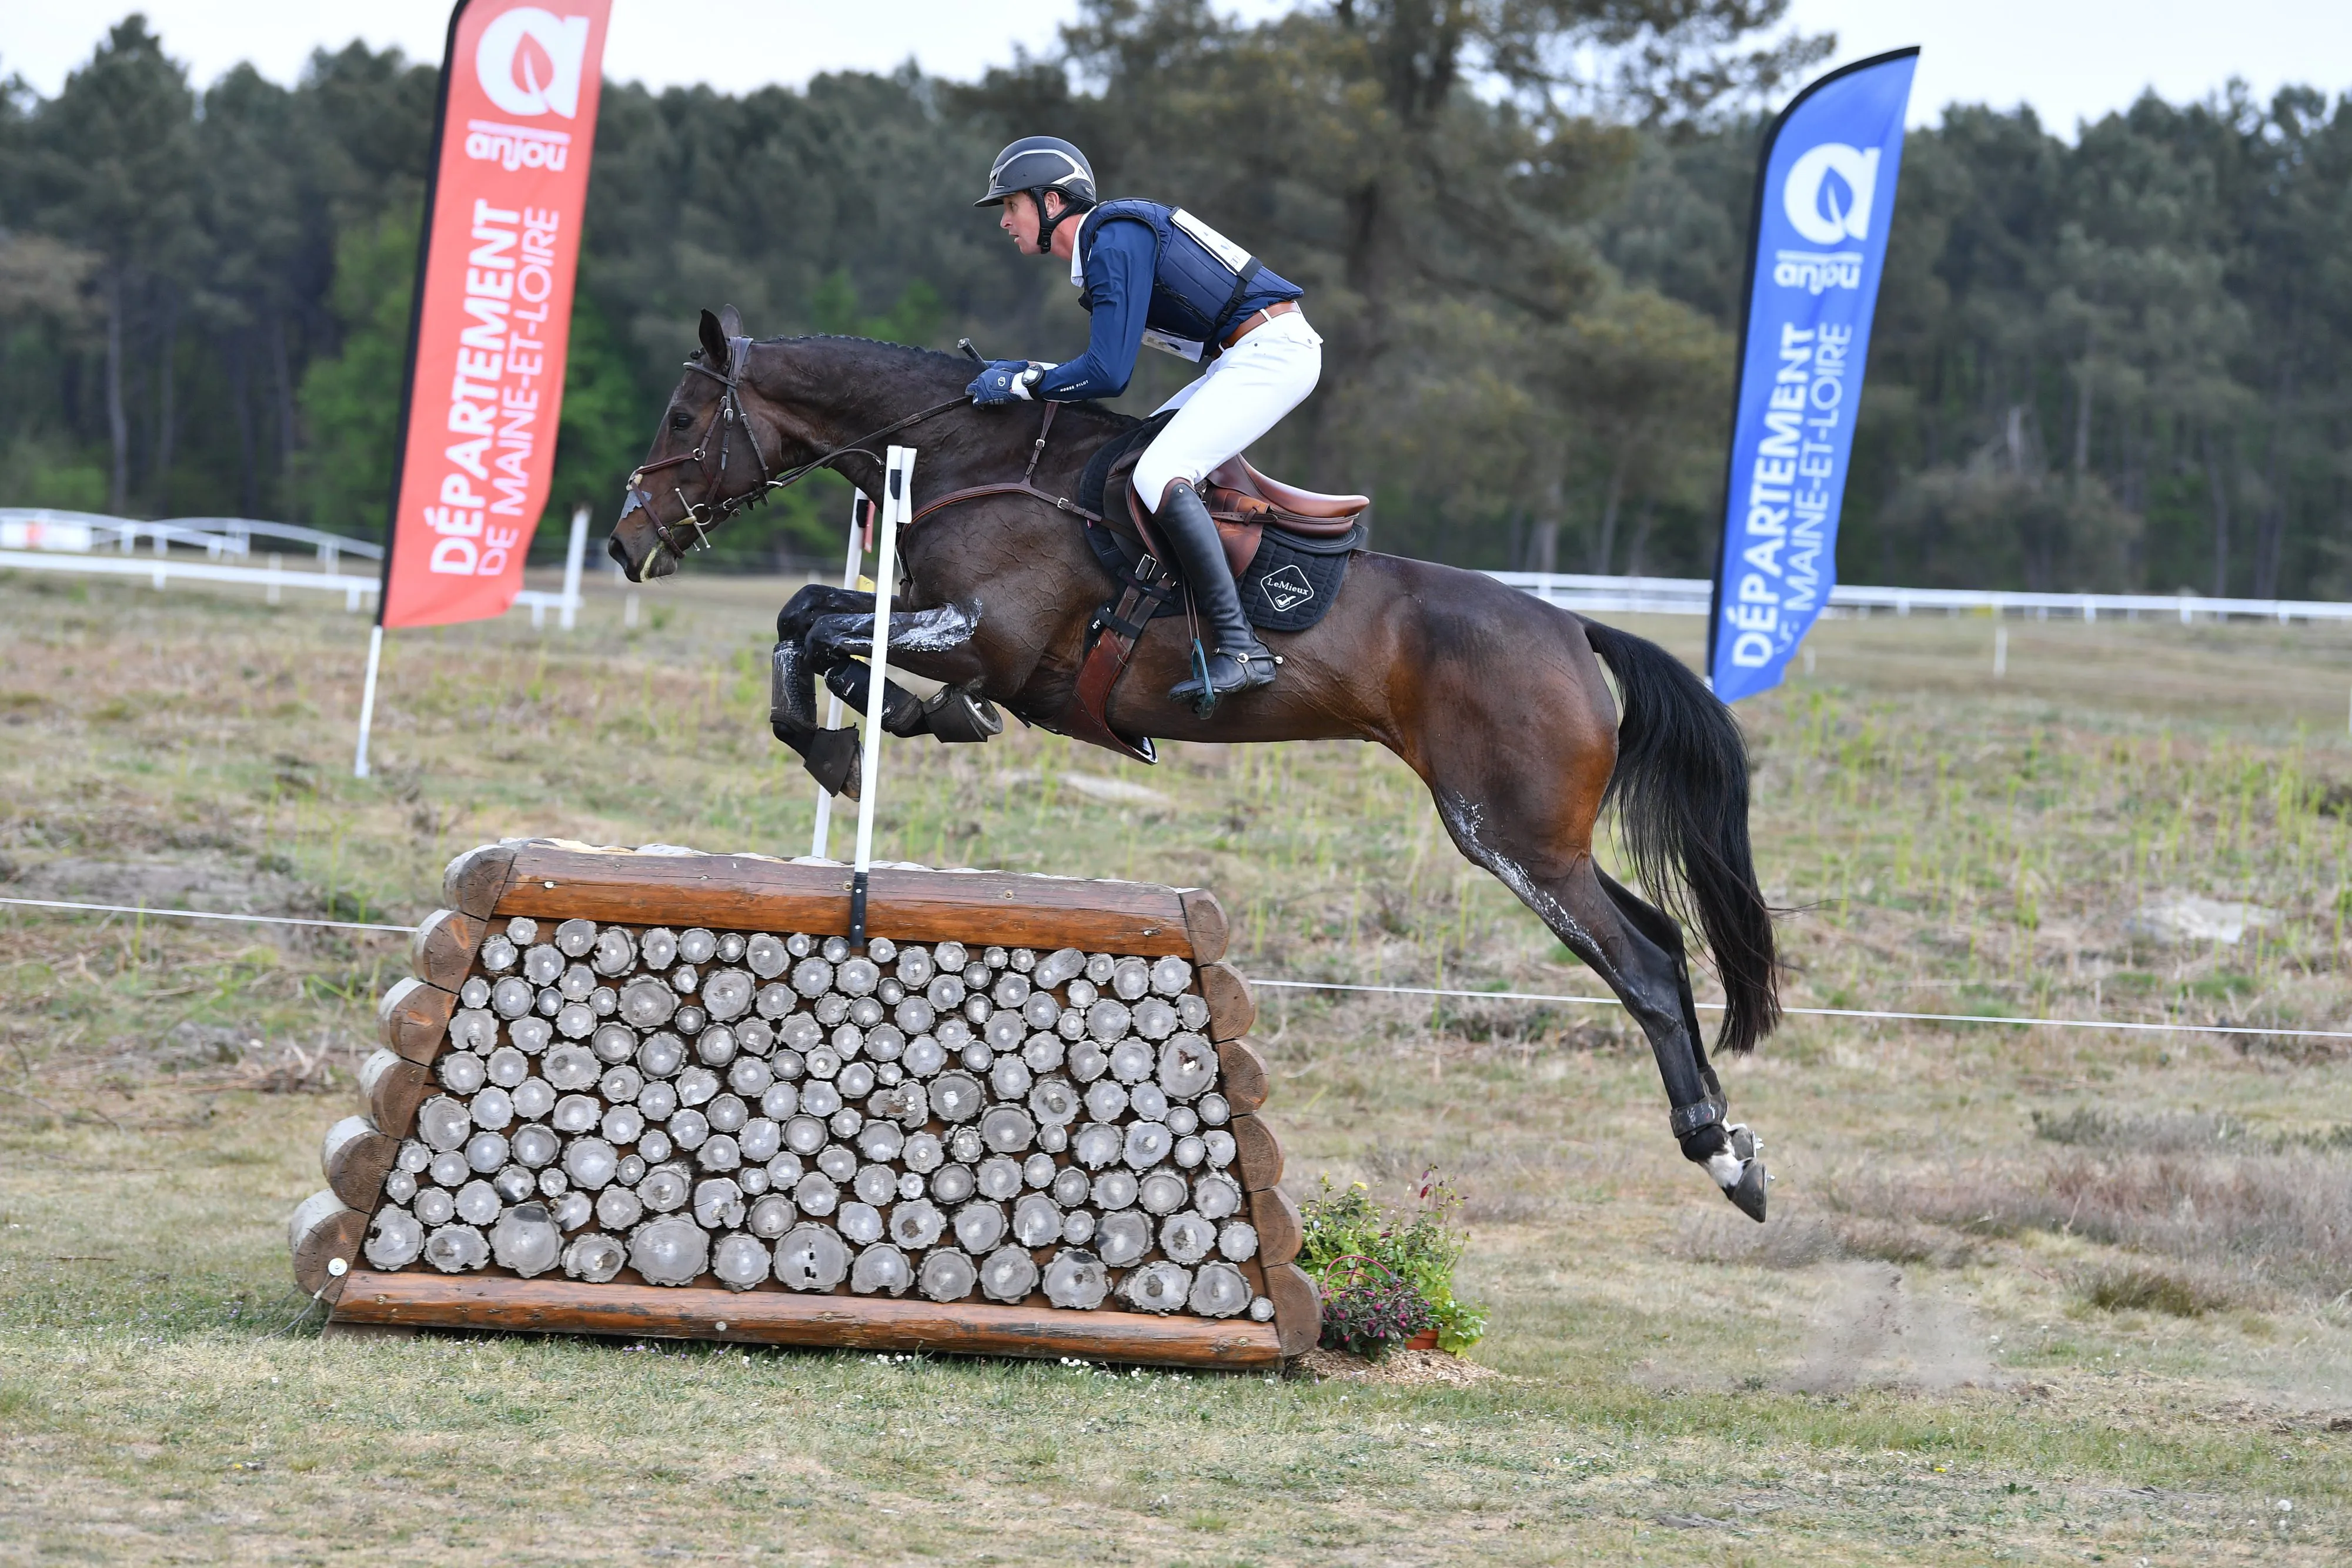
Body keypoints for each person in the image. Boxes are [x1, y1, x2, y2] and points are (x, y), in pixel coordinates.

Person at [967, 135, 1321, 713]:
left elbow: (1108, 375)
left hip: (1272, 351)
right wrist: (1028, 371)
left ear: (1051, 201)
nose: (1004, 222)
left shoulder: (1112, 237)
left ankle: (1242, 646)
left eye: (1010, 205)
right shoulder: (1108, 242)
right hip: (1246, 353)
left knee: (1159, 473)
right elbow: (1100, 369)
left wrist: (1023, 383)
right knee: (1124, 463)